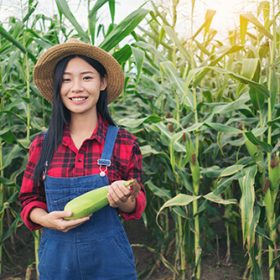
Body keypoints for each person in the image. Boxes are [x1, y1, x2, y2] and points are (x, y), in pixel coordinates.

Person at [19, 38, 146, 280]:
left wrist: (124, 199)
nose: (76, 87)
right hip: (57, 264)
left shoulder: (123, 142)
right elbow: (29, 200)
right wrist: (46, 219)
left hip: (109, 266)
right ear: (58, 87)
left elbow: (136, 203)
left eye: (87, 77)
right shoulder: (41, 145)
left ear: (103, 82)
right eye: (66, 80)